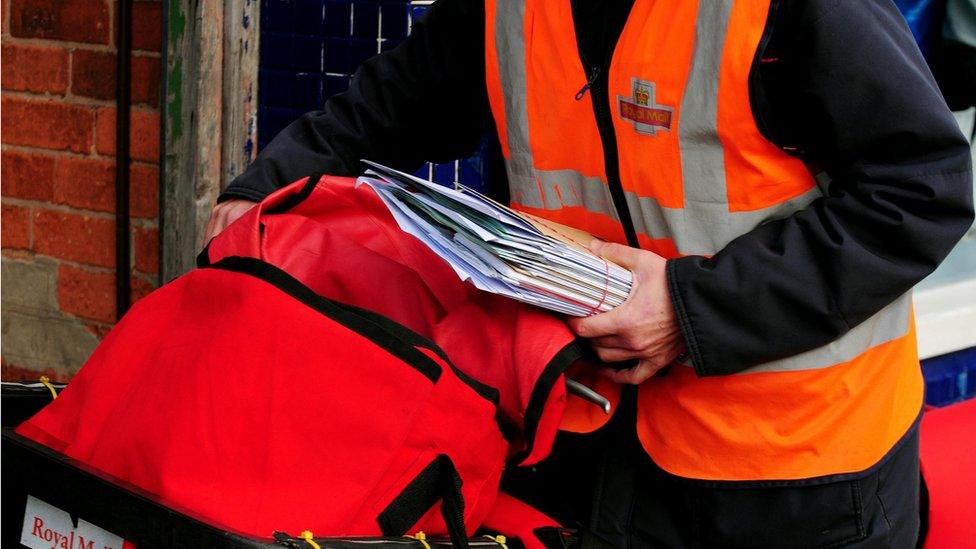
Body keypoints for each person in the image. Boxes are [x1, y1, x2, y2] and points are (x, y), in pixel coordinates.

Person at [207, 0, 974, 546]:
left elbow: (923, 189)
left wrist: (687, 308)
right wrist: (259, 190)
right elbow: (387, 107)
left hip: (797, 479)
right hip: (584, 442)